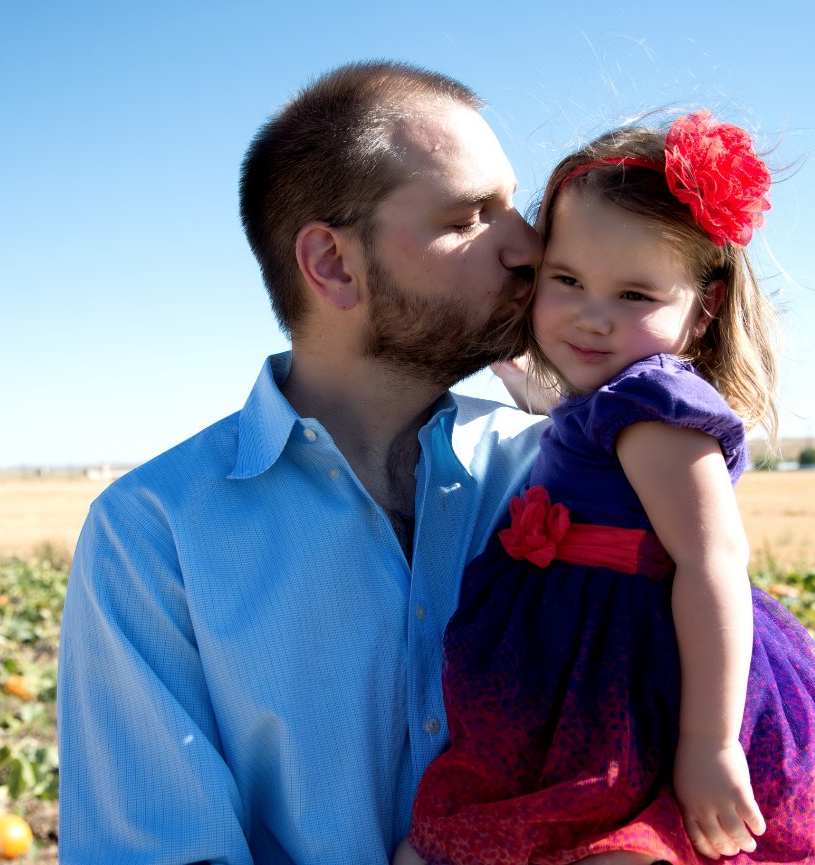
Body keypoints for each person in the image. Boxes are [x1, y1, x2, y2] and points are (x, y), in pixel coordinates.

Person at [56, 61, 546, 864]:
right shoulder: (153, 533)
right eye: (469, 217)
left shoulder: (557, 471)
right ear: (332, 265)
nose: (526, 244)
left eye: (514, 207)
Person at [400, 113, 815, 865]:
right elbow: (584, 445)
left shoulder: (657, 409)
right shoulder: (612, 399)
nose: (591, 316)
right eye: (566, 280)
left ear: (702, 310)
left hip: (630, 673)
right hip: (574, 659)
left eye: (636, 295)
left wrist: (708, 743)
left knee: (616, 841)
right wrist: (524, 383)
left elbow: (714, 564)